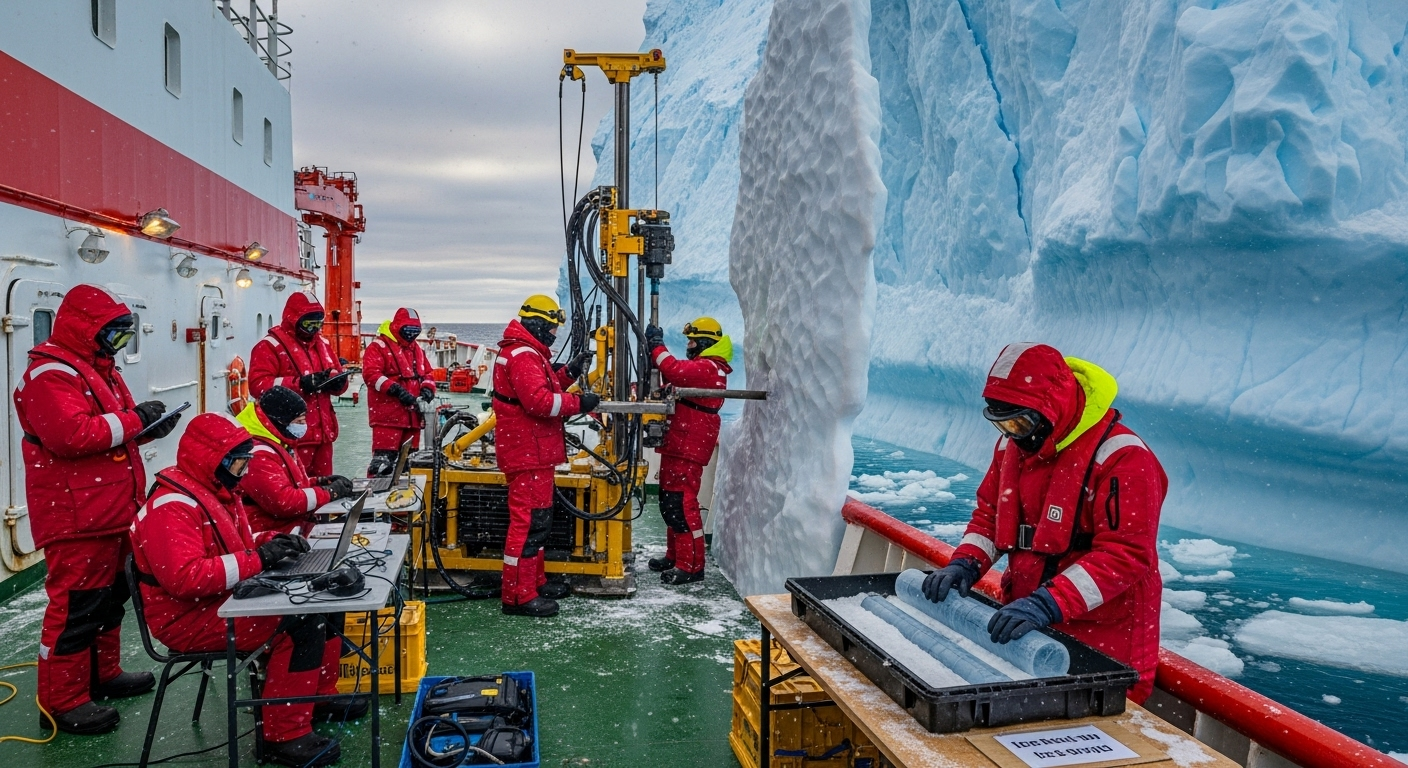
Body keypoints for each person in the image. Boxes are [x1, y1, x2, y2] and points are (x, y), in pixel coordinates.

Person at [923, 343, 1166, 702]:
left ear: (1051, 409)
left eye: (1020, 422)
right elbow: (991, 515)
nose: (1014, 434)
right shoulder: (1012, 446)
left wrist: (1048, 603)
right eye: (1003, 424)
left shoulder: (1124, 458)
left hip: (1104, 641)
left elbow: (1126, 554)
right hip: (1030, 625)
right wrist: (965, 564)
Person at [130, 413, 365, 766]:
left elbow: (231, 544)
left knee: (326, 602)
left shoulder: (214, 492)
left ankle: (318, 696)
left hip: (219, 602)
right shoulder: (173, 507)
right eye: (241, 463)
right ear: (217, 460)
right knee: (302, 622)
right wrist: (259, 559)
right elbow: (186, 578)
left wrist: (272, 542)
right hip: (188, 619)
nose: (244, 472)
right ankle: (283, 736)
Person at [13, 284, 183, 734]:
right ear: (88, 330)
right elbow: (70, 436)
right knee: (76, 609)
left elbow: (111, 429)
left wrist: (149, 428)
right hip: (77, 517)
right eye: (114, 335)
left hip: (110, 509)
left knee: (110, 600)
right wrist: (137, 421)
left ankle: (102, 675)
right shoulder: (50, 375)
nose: (119, 344)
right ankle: (63, 701)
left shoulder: (96, 369)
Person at [492, 295, 597, 617]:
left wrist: (569, 373)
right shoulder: (523, 355)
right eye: (551, 327)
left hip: (532, 451)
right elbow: (539, 402)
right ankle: (518, 596)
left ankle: (533, 583)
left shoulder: (525, 352)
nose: (554, 334)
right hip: (529, 452)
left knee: (538, 522)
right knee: (528, 526)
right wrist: (581, 404)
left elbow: (544, 387)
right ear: (537, 323)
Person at [643, 318, 733, 585]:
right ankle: (675, 556)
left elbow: (674, 370)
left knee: (682, 505)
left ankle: (691, 566)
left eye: (693, 341)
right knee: (670, 503)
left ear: (705, 342)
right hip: (680, 442)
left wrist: (657, 347)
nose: (689, 346)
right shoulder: (705, 367)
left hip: (688, 443)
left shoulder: (709, 367)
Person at [249, 292, 348, 477]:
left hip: (323, 434)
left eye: (317, 324)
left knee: (324, 488)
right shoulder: (270, 346)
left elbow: (336, 373)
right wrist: (300, 384)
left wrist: (338, 383)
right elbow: (257, 385)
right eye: (308, 324)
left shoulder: (323, 344)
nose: (313, 329)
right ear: (293, 320)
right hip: (292, 435)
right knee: (297, 488)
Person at [237, 386, 354, 535]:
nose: (303, 427)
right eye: (298, 421)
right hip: (271, 534)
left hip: (290, 527)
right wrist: (329, 493)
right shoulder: (257, 454)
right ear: (280, 421)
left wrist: (319, 482)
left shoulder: (279, 442)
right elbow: (283, 502)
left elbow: (290, 485)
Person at [362, 308, 436, 476]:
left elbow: (428, 373)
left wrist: (427, 388)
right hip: (388, 418)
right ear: (397, 328)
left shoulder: (416, 349)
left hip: (413, 418)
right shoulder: (378, 347)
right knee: (382, 463)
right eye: (407, 331)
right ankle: (376, 495)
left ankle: (405, 498)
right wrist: (395, 390)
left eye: (415, 332)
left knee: (410, 463)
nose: (411, 335)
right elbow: (371, 375)